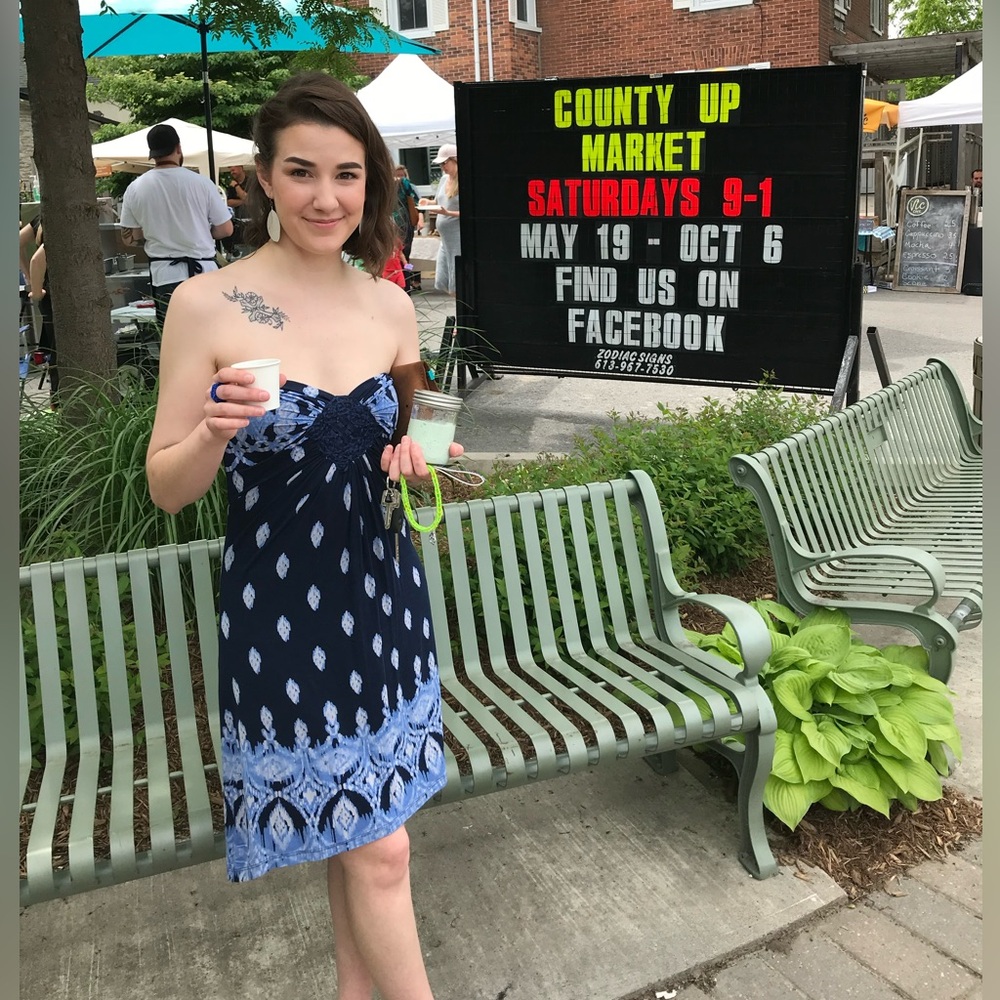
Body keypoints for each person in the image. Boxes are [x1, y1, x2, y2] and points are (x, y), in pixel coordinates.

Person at [145, 71, 463, 1000]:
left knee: (361, 848)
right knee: (383, 854)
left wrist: (423, 455)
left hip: (384, 601)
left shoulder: (390, 303)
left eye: (347, 174)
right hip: (283, 615)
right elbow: (168, 488)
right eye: (302, 172)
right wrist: (211, 429)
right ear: (262, 179)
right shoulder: (206, 306)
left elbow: (427, 424)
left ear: (372, 182)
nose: (326, 196)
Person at [119, 123, 233, 328]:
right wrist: (201, 231)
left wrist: (156, 234)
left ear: (152, 154)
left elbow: (128, 238)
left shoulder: (135, 188)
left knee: (176, 345)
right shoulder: (202, 183)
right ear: (178, 148)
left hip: (165, 276)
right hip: (204, 273)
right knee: (212, 339)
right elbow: (226, 229)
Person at [27, 220, 58, 400]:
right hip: (54, 295)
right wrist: (36, 291)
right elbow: (37, 260)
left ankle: (57, 399)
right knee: (59, 350)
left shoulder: (42, 221)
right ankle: (58, 399)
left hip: (48, 295)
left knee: (55, 349)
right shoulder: (58, 225)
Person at [431, 144, 460, 295]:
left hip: (457, 237)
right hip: (445, 238)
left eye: (445, 163)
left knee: (456, 281)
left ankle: (460, 312)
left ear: (455, 160)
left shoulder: (464, 180)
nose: (442, 167)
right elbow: (438, 202)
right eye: (441, 164)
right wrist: (426, 203)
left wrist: (448, 213)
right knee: (444, 279)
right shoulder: (443, 180)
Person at [393, 164, 419, 261]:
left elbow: (417, 206)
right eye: (397, 176)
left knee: (407, 255)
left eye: (401, 176)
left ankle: (408, 272)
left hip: (406, 227)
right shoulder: (388, 191)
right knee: (397, 257)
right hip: (393, 229)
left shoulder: (408, 187)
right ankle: (404, 272)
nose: (399, 179)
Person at [224, 164, 250, 256]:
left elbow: (249, 200)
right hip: (239, 222)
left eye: (233, 167)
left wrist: (237, 186)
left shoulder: (251, 182)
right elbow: (229, 202)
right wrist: (244, 201)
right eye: (230, 168)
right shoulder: (231, 184)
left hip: (253, 222)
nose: (231, 170)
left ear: (241, 167)